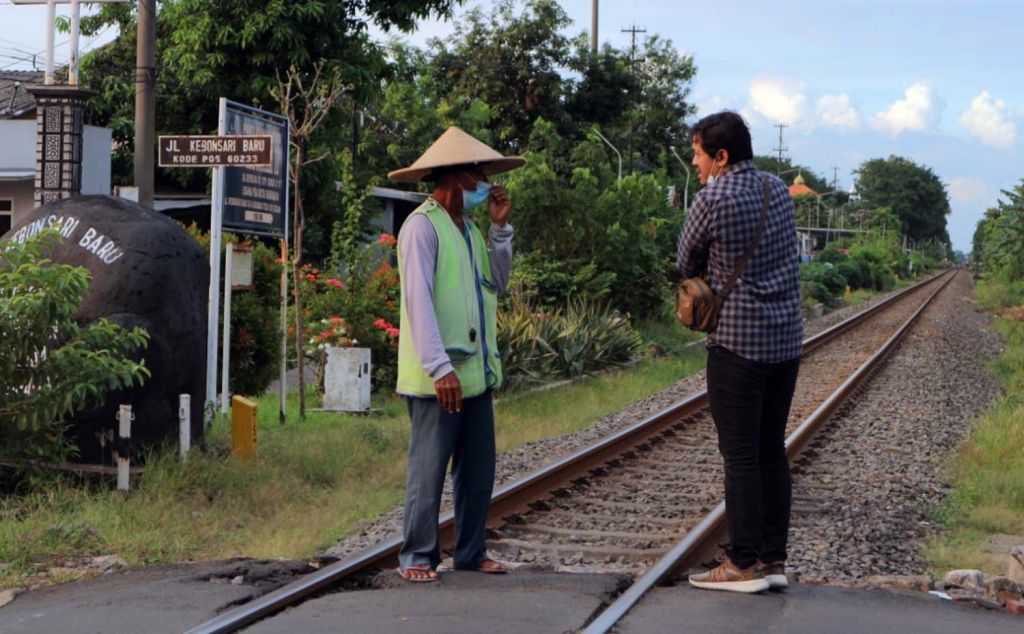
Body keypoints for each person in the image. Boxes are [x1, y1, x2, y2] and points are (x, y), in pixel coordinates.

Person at [388, 127, 525, 583]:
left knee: (478, 470)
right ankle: (417, 556)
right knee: (428, 470)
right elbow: (418, 302)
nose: (486, 182)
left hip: (476, 376)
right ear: (457, 176)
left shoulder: (467, 229)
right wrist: (439, 367)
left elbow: (498, 285)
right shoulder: (421, 228)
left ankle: (470, 552)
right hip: (438, 377)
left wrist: (501, 228)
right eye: (479, 174)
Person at [677, 111, 803, 593]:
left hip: (737, 343)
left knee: (740, 454)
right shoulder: (777, 189)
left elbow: (685, 260)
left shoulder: (713, 197)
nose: (695, 162)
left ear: (721, 156)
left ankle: (742, 563)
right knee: (772, 449)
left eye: (698, 154)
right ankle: (773, 559)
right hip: (786, 342)